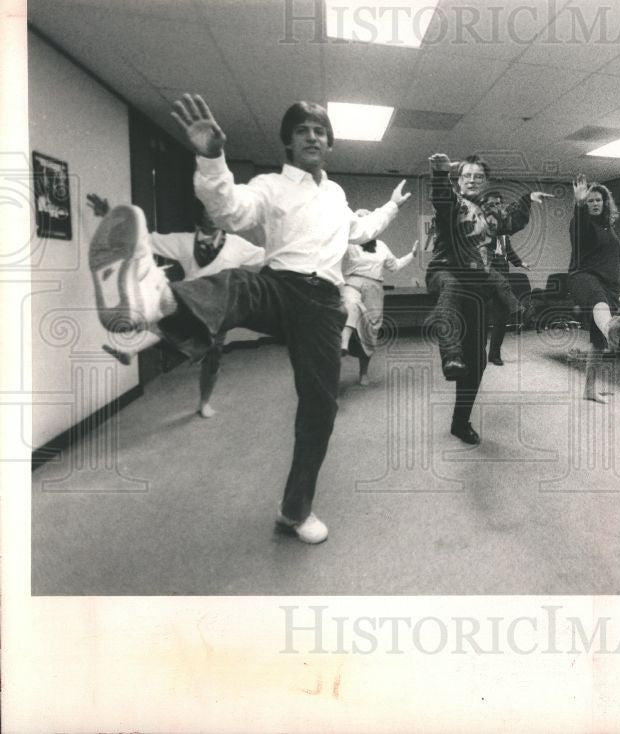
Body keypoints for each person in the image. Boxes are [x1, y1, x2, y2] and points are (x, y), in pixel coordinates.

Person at [88, 93, 411, 544]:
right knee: (237, 282)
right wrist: (211, 156)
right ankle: (158, 301)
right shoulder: (271, 185)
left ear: (329, 144)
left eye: (320, 131)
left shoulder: (336, 194)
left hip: (323, 305)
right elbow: (229, 210)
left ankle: (294, 511)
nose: (313, 136)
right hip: (281, 285)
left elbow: (361, 231)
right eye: (303, 131)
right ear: (289, 143)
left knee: (320, 409)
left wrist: (392, 207)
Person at [87, 193, 265, 418]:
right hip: (186, 301)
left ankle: (203, 402)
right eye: (206, 212)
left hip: (219, 310)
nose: (211, 217)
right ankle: (136, 331)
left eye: (215, 213)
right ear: (199, 216)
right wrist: (111, 216)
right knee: (172, 319)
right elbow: (144, 240)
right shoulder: (184, 241)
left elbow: (265, 257)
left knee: (210, 358)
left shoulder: (237, 245)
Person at [425, 153, 549, 444]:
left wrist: (527, 198)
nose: (471, 180)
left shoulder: (491, 212)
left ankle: (460, 421)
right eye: (466, 175)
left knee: (477, 361)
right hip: (448, 274)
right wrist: (440, 173)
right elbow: (441, 198)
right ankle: (450, 355)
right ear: (459, 180)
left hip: (478, 285)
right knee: (453, 296)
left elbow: (512, 220)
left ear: (485, 182)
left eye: (478, 177)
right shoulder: (454, 204)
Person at [567, 173, 620, 402]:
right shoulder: (582, 224)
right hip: (584, 277)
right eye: (590, 201)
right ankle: (610, 327)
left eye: (598, 200)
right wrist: (579, 203)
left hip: (609, 283)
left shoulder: (607, 228)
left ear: (605, 203)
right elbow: (579, 222)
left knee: (597, 343)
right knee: (599, 305)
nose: (595, 204)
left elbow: (612, 253)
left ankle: (589, 390)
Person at [340, 214, 418, 386]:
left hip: (375, 289)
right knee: (351, 306)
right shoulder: (347, 243)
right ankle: (343, 342)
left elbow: (394, 266)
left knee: (371, 330)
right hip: (352, 283)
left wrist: (412, 255)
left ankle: (363, 373)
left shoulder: (381, 246)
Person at [486, 223, 528, 367]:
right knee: (478, 321)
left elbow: (509, 253)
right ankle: (518, 310)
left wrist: (520, 262)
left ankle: (494, 355)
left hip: (503, 272)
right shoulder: (483, 231)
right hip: (486, 274)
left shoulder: (504, 236)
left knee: (501, 319)